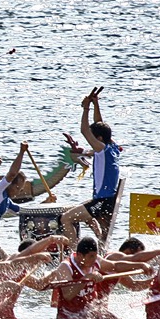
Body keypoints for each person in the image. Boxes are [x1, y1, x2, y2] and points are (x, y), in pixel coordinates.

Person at [60, 87, 118, 245]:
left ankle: (74, 257)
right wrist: (95, 103)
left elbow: (85, 130)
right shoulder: (111, 146)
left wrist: (86, 107)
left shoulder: (102, 149)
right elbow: (99, 125)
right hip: (105, 199)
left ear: (98, 138)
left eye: (93, 138)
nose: (90, 140)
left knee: (66, 218)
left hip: (102, 201)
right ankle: (99, 245)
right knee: (80, 213)